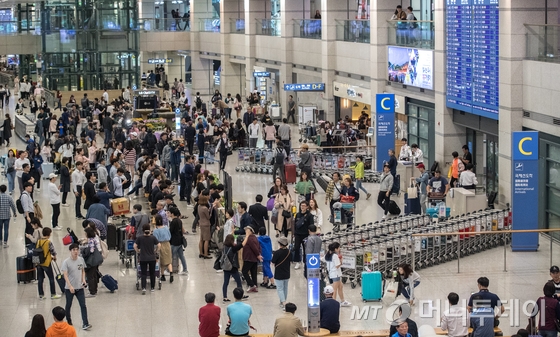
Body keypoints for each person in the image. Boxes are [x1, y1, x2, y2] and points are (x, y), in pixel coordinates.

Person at [61, 243, 92, 330]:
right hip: (69, 288)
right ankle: (69, 321)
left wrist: (84, 280)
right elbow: (65, 275)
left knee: (83, 305)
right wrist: (70, 286)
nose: (76, 251)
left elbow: (83, 271)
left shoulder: (81, 260)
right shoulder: (66, 262)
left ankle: (85, 323)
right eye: (73, 250)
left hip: (80, 287)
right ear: (70, 251)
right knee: (68, 305)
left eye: (77, 250)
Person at [134, 224, 161, 294]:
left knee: (143, 273)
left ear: (143, 230)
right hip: (152, 258)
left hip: (143, 258)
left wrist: (138, 251)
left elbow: (135, 246)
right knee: (152, 273)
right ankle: (152, 288)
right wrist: (156, 251)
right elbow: (159, 245)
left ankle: (143, 288)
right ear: (149, 230)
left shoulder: (140, 238)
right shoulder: (153, 238)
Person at [36, 227, 62, 300]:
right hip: (46, 263)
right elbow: (52, 251)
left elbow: (38, 251)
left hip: (39, 263)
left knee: (40, 279)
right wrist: (55, 257)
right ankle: (53, 294)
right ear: (48, 235)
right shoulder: (48, 242)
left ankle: (41, 295)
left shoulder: (39, 241)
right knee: (51, 278)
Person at [325, 242, 350, 306]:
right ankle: (333, 303)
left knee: (340, 286)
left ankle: (342, 300)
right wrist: (341, 260)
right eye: (338, 248)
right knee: (334, 289)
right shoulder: (335, 256)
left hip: (332, 273)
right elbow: (337, 265)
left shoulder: (328, 254)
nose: (339, 249)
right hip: (336, 273)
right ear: (335, 249)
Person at [293, 201, 314, 270]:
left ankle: (305, 262)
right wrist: (294, 233)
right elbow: (295, 224)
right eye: (301, 205)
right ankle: (297, 261)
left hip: (306, 235)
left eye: (304, 206)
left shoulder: (310, 215)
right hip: (298, 234)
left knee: (306, 249)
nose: (302, 207)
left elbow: (311, 225)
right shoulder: (298, 215)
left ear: (307, 207)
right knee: (296, 248)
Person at [153, 214, 173, 283]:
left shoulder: (156, 230)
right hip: (167, 244)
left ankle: (163, 276)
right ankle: (171, 273)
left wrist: (155, 249)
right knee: (168, 260)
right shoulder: (166, 228)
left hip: (160, 244)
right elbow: (170, 236)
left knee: (161, 262)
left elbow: (155, 240)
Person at [242, 226, 262, 293]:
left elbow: (254, 247)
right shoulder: (255, 237)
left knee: (244, 271)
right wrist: (258, 254)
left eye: (247, 230)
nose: (245, 232)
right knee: (253, 272)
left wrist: (258, 255)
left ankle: (251, 284)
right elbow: (258, 247)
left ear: (250, 231)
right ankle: (255, 285)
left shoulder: (249, 238)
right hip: (254, 258)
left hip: (249, 258)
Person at [168, 207, 188, 275]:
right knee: (181, 256)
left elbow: (170, 232)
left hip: (174, 241)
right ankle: (185, 269)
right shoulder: (179, 220)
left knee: (170, 256)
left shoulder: (173, 222)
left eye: (169, 212)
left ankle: (169, 270)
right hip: (179, 241)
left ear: (172, 214)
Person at [197, 194, 213, 259]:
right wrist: (210, 211)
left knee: (201, 239)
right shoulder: (205, 208)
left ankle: (201, 253)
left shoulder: (199, 206)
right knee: (206, 239)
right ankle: (206, 254)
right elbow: (208, 217)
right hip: (206, 224)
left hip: (201, 223)